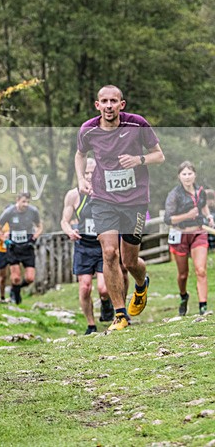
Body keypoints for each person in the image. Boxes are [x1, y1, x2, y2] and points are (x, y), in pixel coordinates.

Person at [76, 85, 164, 331]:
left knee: (130, 261)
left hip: (135, 200)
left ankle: (141, 283)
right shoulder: (88, 129)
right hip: (103, 198)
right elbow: (79, 155)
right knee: (110, 253)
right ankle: (120, 314)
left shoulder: (137, 125)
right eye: (104, 101)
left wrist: (139, 160)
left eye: (113, 101)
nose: (108, 105)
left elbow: (159, 155)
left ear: (121, 105)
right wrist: (81, 179)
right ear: (97, 105)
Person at [60, 158, 114, 334]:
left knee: (103, 289)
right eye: (87, 173)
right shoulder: (74, 195)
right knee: (84, 288)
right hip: (83, 246)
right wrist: (69, 231)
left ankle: (106, 303)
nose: (90, 176)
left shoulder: (108, 192)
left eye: (93, 172)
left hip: (102, 245)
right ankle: (91, 324)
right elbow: (64, 220)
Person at [164, 161, 213, 316]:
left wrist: (208, 216)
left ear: (195, 175)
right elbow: (168, 219)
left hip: (199, 233)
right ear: (179, 176)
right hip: (180, 235)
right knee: (183, 274)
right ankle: (184, 296)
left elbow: (203, 206)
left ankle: (203, 308)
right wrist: (187, 216)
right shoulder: (174, 195)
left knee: (201, 270)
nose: (187, 177)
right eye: (184, 174)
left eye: (190, 173)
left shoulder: (200, 191)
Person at [0, 192, 42, 305]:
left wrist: (35, 237)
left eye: (28, 202)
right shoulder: (9, 212)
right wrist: (5, 240)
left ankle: (15, 289)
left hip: (27, 247)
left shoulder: (33, 211)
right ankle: (16, 296)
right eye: (24, 201)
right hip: (13, 247)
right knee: (15, 278)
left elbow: (40, 227)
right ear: (17, 200)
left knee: (30, 278)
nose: (26, 204)